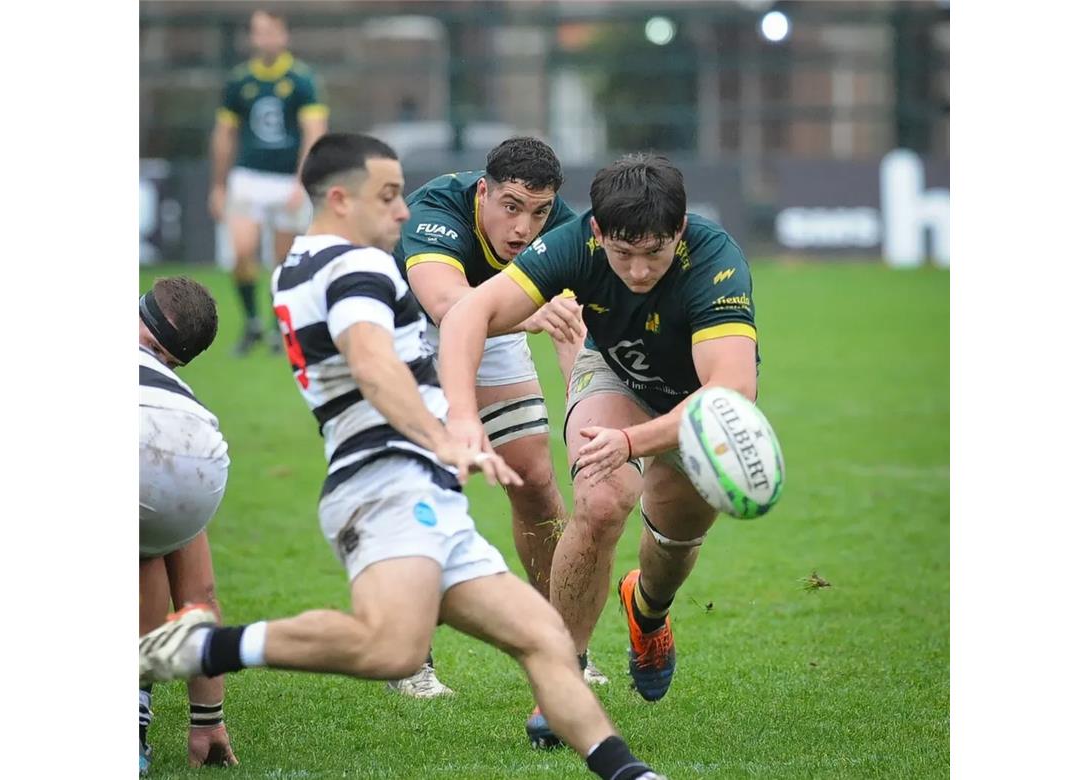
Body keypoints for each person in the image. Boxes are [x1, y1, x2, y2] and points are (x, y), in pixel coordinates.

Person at [139, 133, 666, 780]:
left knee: (546, 637)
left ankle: (630, 773)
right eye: (388, 196)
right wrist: (445, 436)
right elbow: (372, 360)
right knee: (393, 648)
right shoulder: (354, 266)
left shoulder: (306, 262)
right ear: (339, 198)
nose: (402, 211)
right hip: (388, 484)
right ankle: (209, 644)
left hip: (420, 492)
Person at [437, 153, 760, 742]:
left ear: (680, 231)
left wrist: (633, 441)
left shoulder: (715, 261)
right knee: (602, 499)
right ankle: (564, 680)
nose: (637, 270)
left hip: (698, 402)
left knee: (673, 544)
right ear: (597, 233)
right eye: (622, 253)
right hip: (614, 375)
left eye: (654, 253)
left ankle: (647, 609)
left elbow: (730, 391)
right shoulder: (574, 244)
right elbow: (469, 314)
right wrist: (462, 415)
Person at [386, 136, 605, 698]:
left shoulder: (562, 227)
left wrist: (586, 422)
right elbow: (450, 309)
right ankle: (407, 657)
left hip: (501, 320)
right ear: (483, 191)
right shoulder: (437, 211)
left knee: (534, 479)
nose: (524, 228)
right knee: (419, 487)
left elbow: (573, 329)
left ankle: (562, 643)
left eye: (538, 212)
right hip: (407, 336)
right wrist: (533, 311)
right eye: (510, 206)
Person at [138, 277, 238, 773]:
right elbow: (200, 595)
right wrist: (208, 720)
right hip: (200, 450)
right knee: (149, 555)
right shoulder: (183, 395)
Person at [209, 8, 329, 355]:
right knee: (242, 253)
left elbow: (314, 131)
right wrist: (218, 184)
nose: (266, 39)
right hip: (248, 177)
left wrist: (301, 180)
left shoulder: (301, 80)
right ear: (252, 37)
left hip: (286, 181)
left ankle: (279, 327)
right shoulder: (239, 81)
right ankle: (251, 323)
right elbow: (225, 133)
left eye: (271, 32)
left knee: (281, 262)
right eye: (259, 32)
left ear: (284, 35)